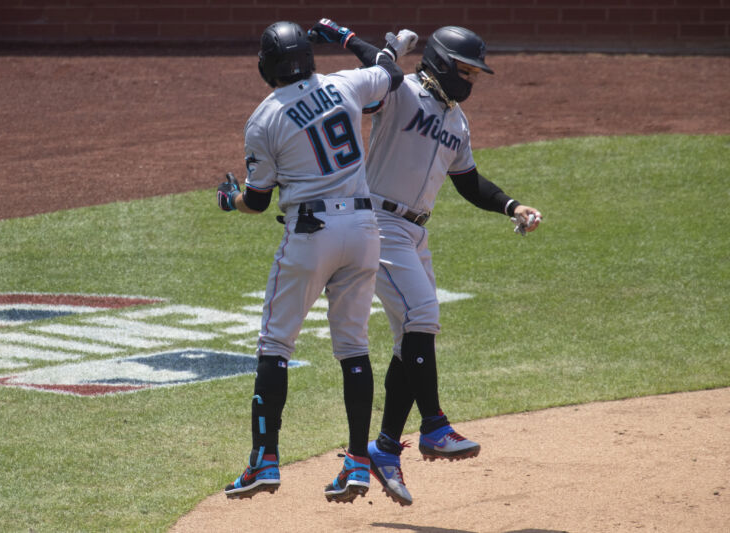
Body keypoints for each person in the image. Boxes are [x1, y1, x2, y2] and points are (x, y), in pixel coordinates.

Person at [344, 25, 543, 506]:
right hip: (378, 221)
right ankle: (433, 424)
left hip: (414, 232)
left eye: (477, 74)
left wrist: (511, 206)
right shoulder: (401, 93)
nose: (472, 82)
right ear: (440, 64)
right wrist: (348, 37)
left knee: (413, 337)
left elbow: (469, 183)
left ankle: (386, 447)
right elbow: (378, 67)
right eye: (467, 71)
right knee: (424, 317)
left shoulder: (457, 123)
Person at [217, 20, 404, 504]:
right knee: (353, 346)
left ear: (266, 66)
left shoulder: (264, 119)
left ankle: (264, 460)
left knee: (275, 344)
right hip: (364, 231)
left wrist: (229, 200)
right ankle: (358, 466)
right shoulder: (344, 83)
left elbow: (257, 201)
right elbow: (390, 70)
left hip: (310, 233)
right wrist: (347, 37)